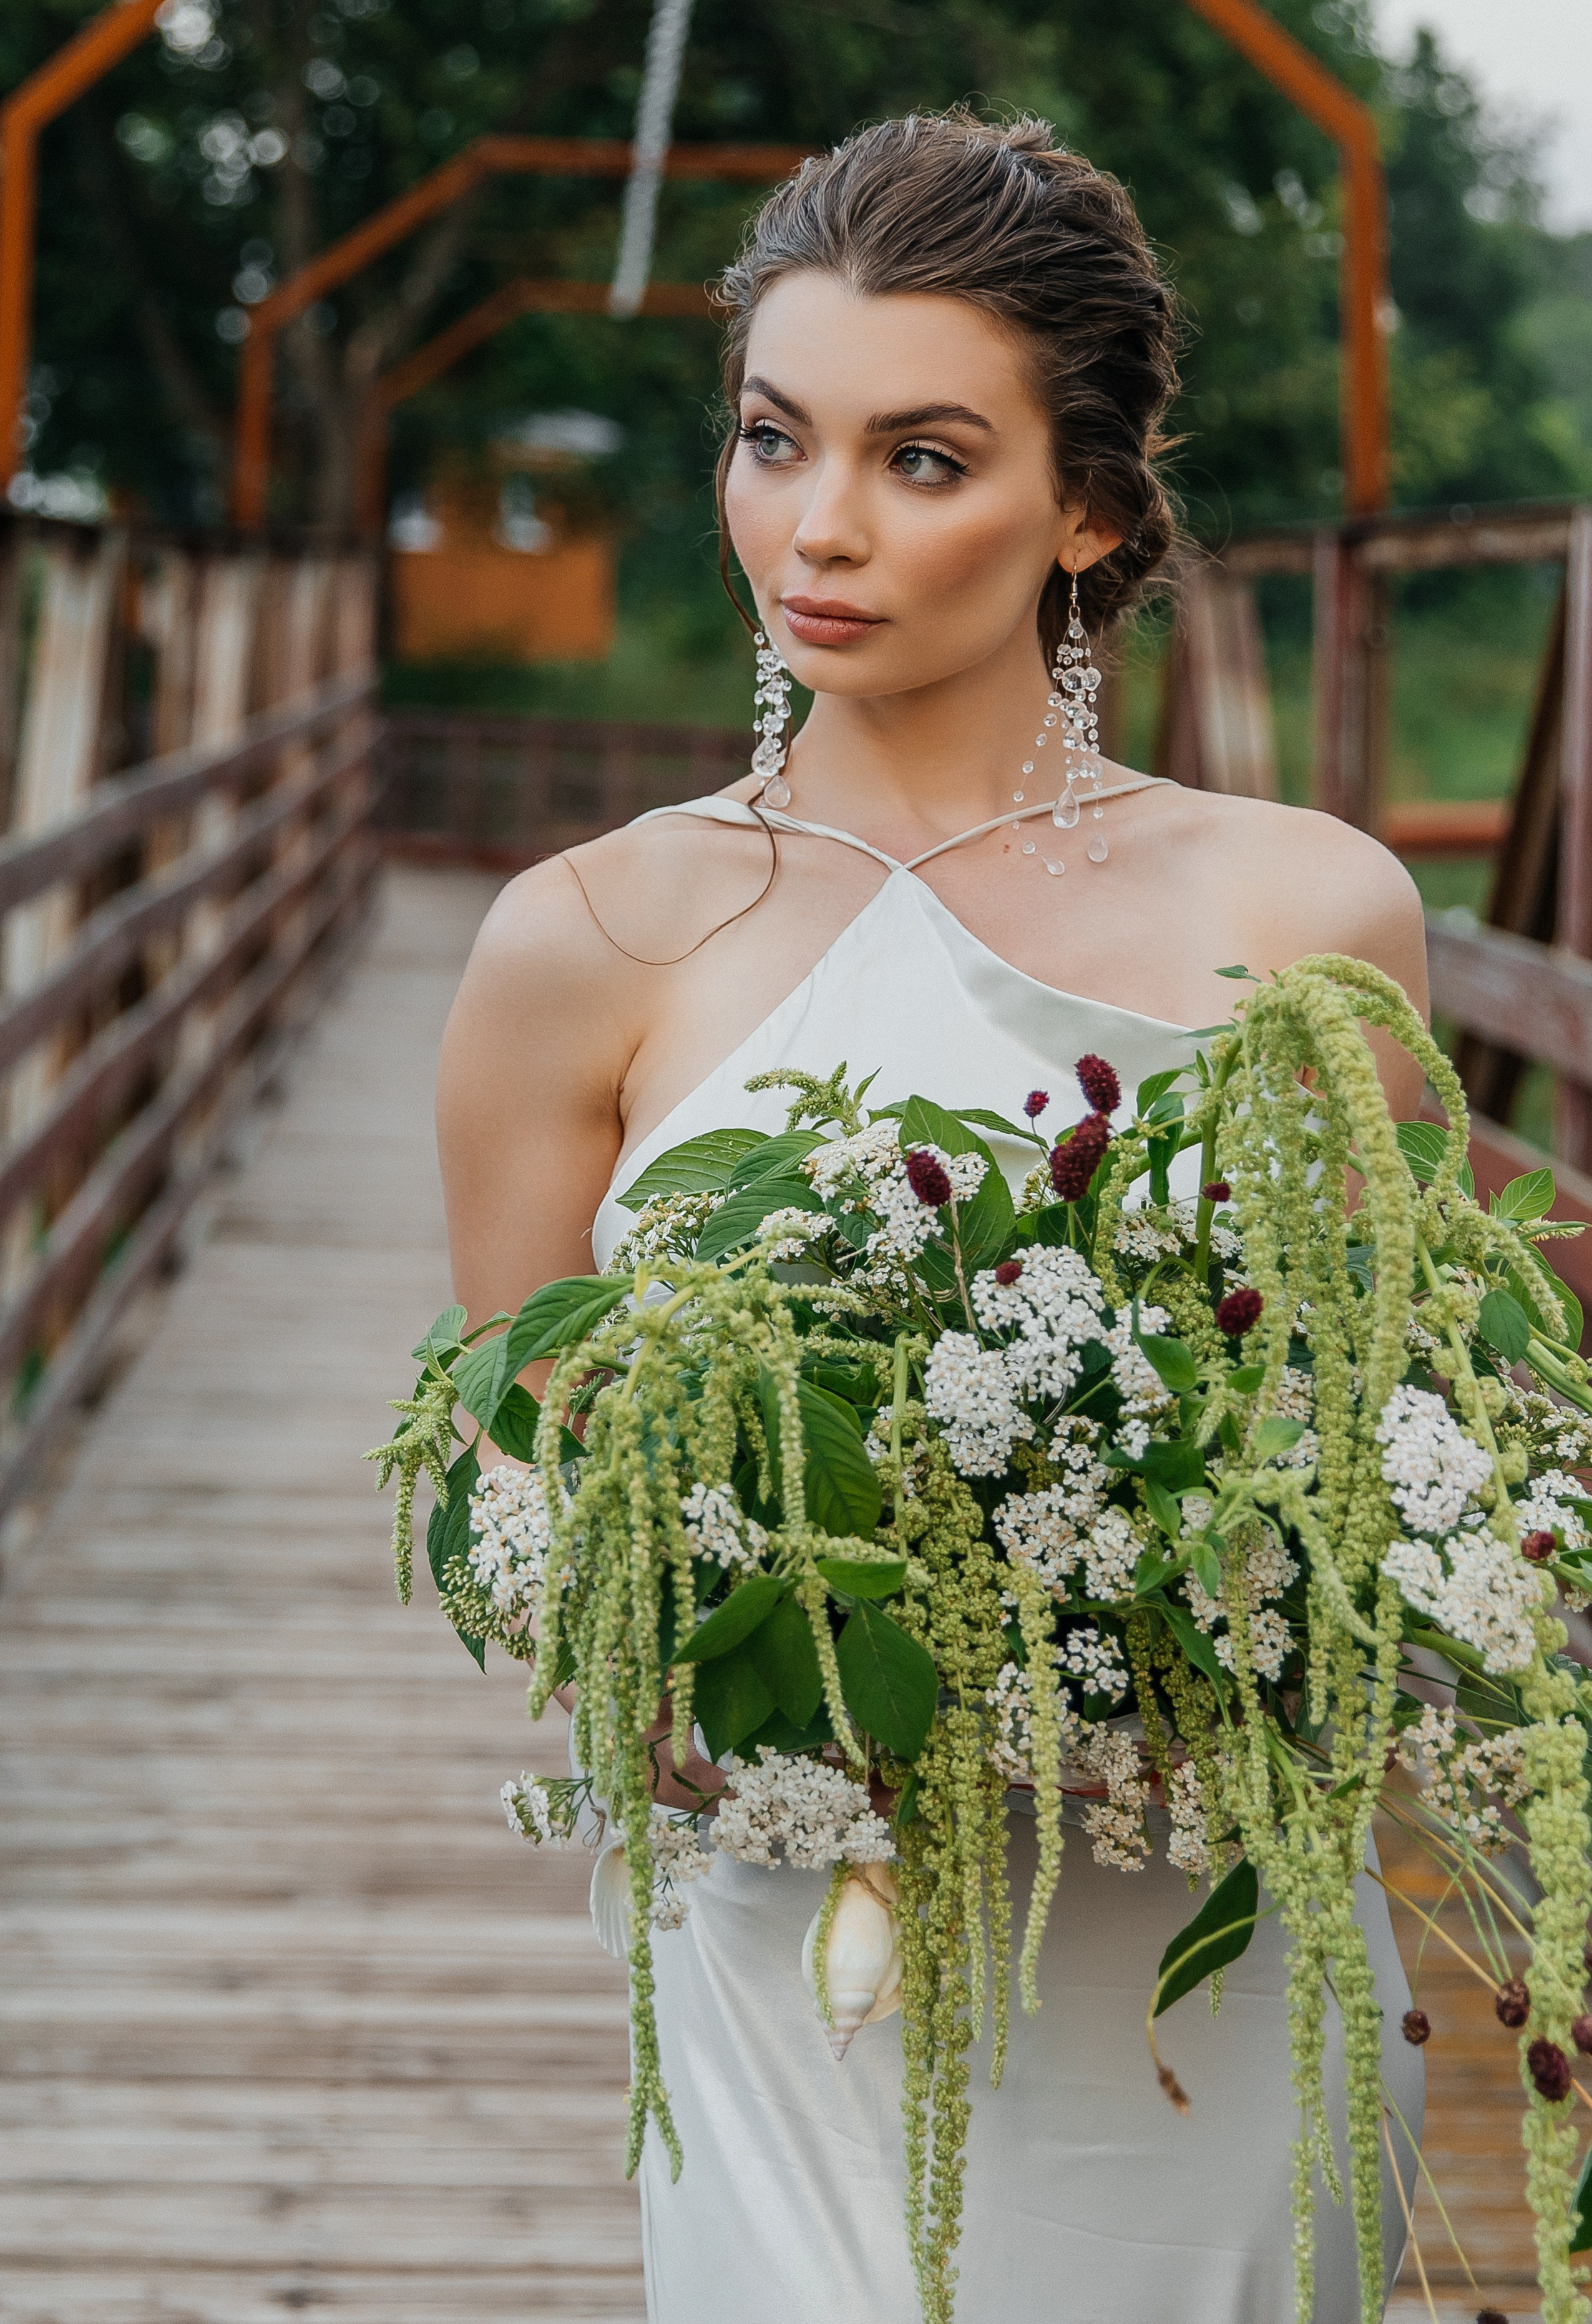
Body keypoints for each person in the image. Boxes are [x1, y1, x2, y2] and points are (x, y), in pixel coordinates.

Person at [437, 110, 1427, 2324]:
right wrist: (678, 1666)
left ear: (1085, 507)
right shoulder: (583, 937)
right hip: (799, 1939)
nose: (820, 525)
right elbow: (516, 1464)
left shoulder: (1308, 903)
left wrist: (1190, 1623)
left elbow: (1380, 1426)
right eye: (778, 439)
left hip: (1201, 1929)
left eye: (923, 457)